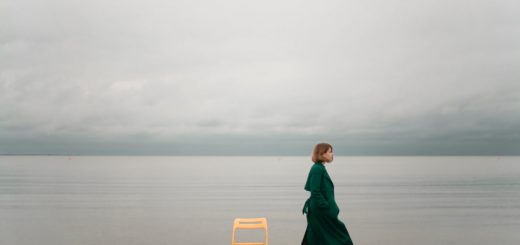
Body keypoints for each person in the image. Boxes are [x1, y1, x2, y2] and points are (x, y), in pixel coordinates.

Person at [302, 143, 354, 245]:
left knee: (317, 236)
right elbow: (315, 190)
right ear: (322, 153)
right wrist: (325, 206)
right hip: (320, 211)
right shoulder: (317, 169)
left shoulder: (320, 167)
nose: (332, 154)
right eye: (330, 151)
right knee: (339, 235)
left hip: (320, 210)